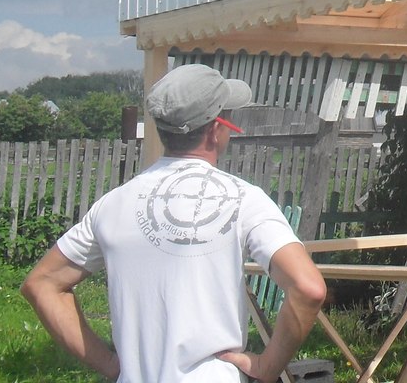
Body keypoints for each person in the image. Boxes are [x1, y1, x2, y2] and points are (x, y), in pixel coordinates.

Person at [21, 64, 327, 383]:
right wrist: (267, 367)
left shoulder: (113, 204)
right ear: (216, 129)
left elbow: (42, 284)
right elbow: (307, 288)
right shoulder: (243, 199)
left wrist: (110, 364)